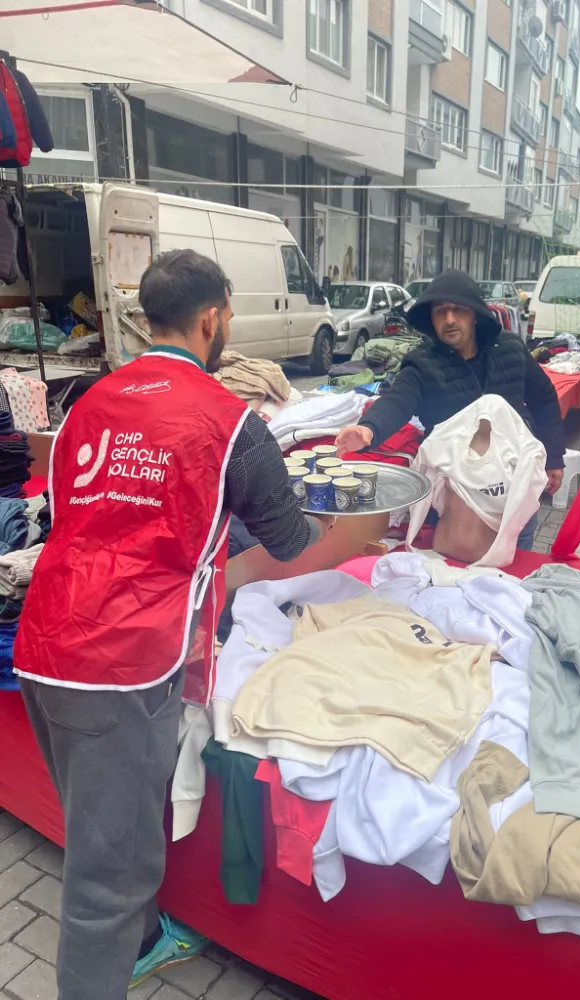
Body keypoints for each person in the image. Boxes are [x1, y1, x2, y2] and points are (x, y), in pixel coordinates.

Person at [14, 249, 334, 1000]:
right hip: (122, 665)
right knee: (105, 882)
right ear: (213, 318)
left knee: (107, 830)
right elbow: (288, 539)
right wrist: (331, 513)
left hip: (44, 642)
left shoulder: (89, 401)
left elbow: (68, 512)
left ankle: (146, 937)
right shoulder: (230, 422)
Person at [335, 269, 565, 549]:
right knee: (455, 562)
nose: (449, 319)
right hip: (456, 491)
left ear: (475, 313)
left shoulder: (510, 348)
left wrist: (554, 456)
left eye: (459, 310)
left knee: (516, 560)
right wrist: (369, 428)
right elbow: (397, 399)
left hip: (514, 481)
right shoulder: (423, 363)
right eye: (440, 311)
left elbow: (544, 399)